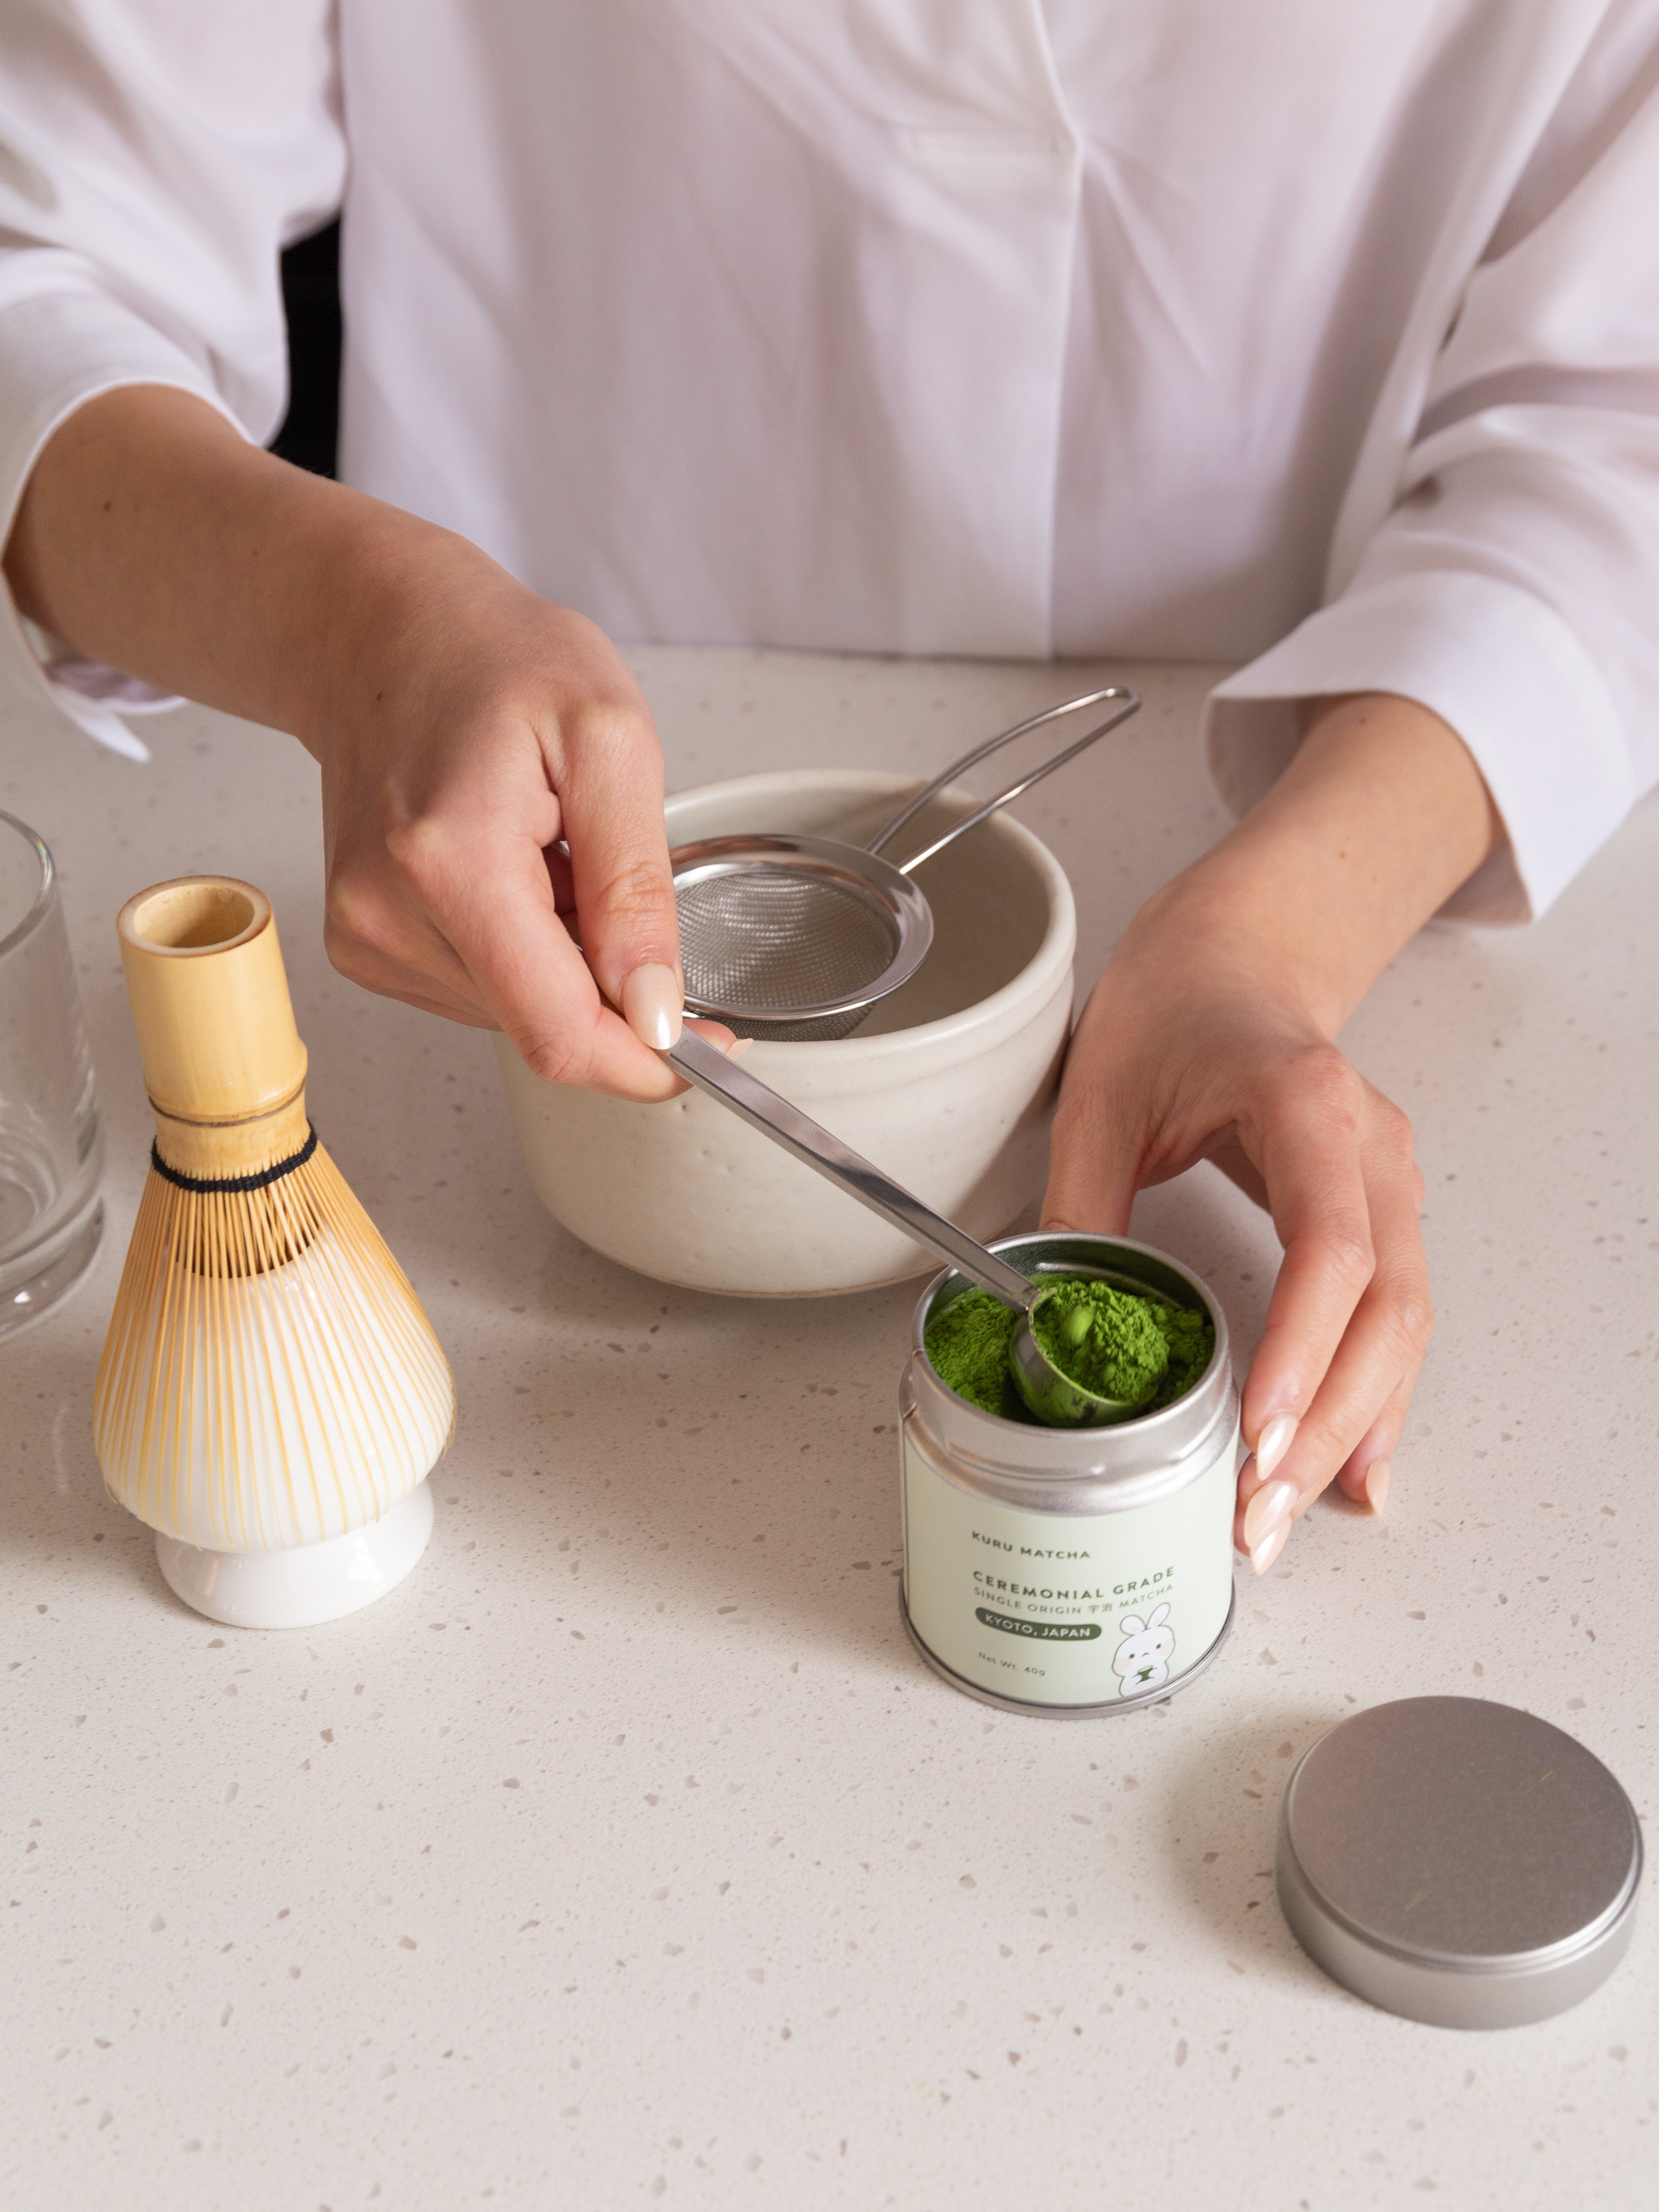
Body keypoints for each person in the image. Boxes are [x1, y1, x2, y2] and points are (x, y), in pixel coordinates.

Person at [4, 6, 1657, 1577]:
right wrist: (352, 628)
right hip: (520, 799)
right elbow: (45, 271)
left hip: (1302, 746)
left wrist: (1268, 946)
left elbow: (1613, 440)